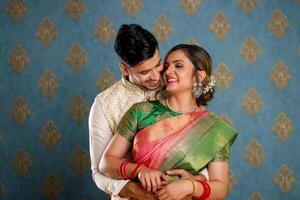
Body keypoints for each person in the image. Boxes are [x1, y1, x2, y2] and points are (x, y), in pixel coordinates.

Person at [99, 44, 238, 200]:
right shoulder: (141, 112)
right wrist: (139, 170)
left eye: (178, 66)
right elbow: (106, 163)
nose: (168, 72)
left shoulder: (213, 128)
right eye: (166, 66)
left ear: (199, 76)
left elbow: (220, 188)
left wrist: (190, 186)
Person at [89, 25, 207, 200]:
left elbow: (202, 151)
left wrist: (195, 182)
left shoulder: (174, 86)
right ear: (124, 69)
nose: (155, 76)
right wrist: (141, 191)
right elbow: (99, 173)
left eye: (158, 64)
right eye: (144, 72)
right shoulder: (104, 105)